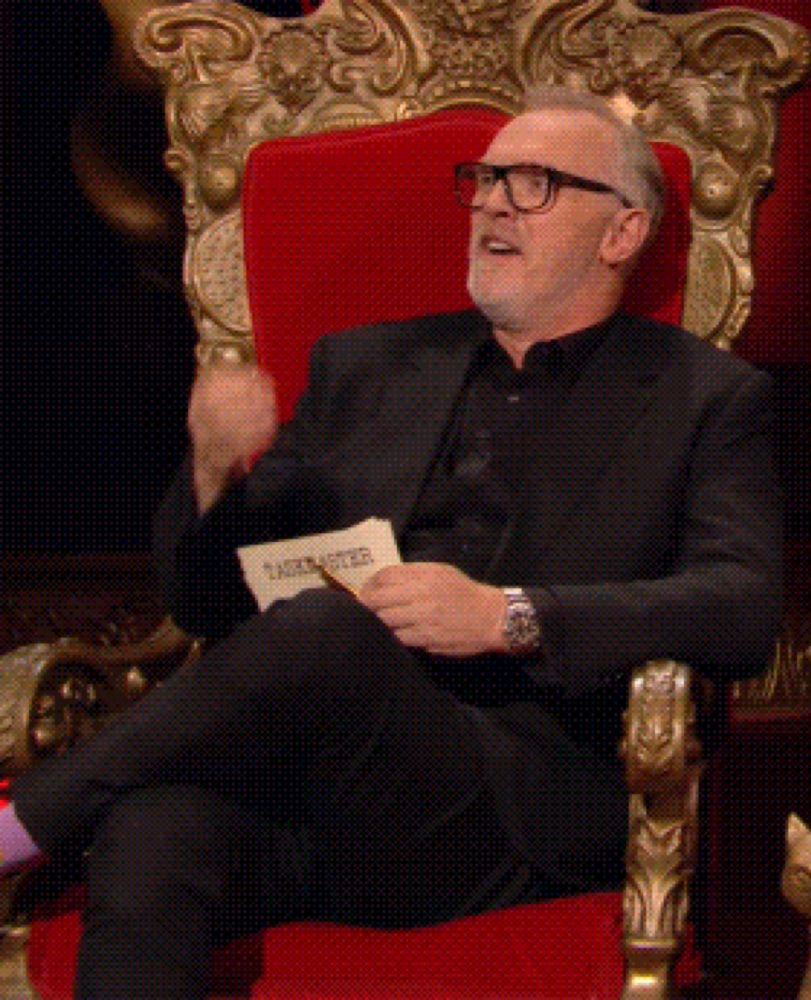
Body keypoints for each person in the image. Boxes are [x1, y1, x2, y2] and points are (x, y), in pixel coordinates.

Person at [1, 87, 781, 999]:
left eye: (532, 183)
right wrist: (213, 475)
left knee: (325, 631)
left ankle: (21, 828)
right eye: (484, 179)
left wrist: (508, 615)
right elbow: (204, 607)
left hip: (503, 818)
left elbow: (740, 608)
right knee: (153, 828)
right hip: (320, 796)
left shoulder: (706, 399)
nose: (490, 201)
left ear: (620, 232)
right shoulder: (368, 367)